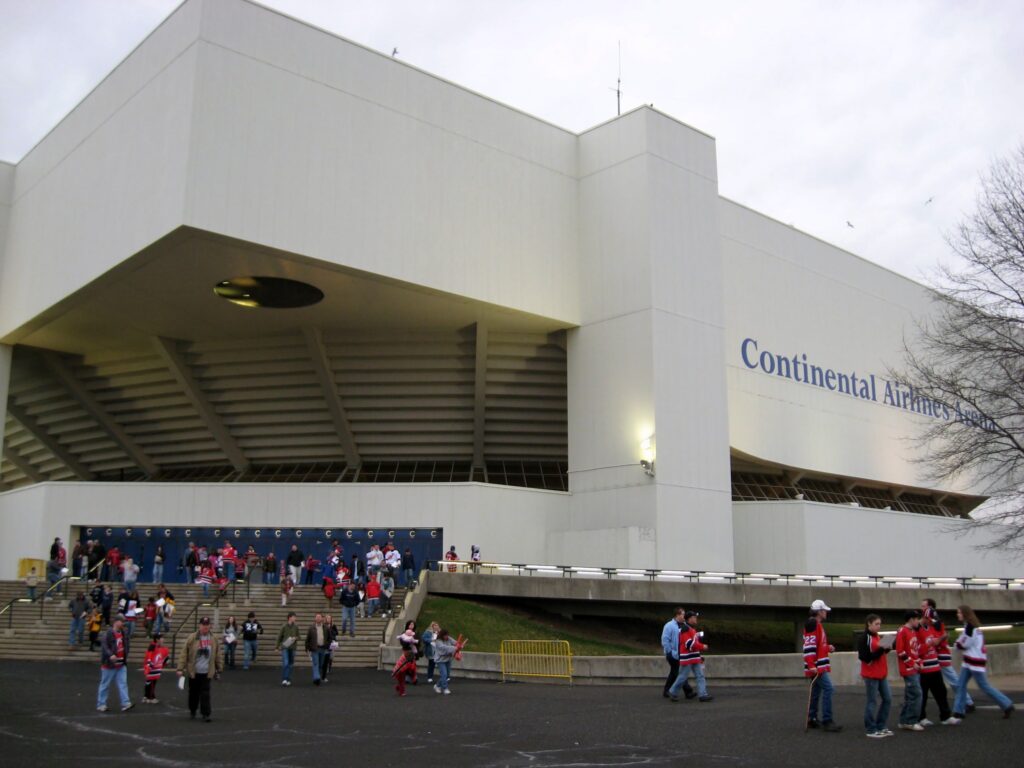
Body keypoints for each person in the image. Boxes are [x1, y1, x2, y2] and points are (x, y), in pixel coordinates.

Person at [952, 604, 1015, 719]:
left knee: (984, 686)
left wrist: (956, 644)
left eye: (959, 612)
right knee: (961, 685)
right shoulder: (972, 627)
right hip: (972, 661)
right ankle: (958, 711)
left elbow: (964, 644)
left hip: (973, 661)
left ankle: (1006, 704)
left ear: (965, 614)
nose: (957, 615)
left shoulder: (970, 628)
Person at [921, 598, 974, 713]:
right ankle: (966, 702)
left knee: (953, 680)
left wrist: (938, 639)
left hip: (940, 655)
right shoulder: (935, 622)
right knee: (945, 681)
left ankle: (968, 702)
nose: (922, 608)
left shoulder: (935, 623)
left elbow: (936, 640)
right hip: (937, 655)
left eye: (924, 606)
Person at [804, 599, 842, 732]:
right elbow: (809, 646)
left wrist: (827, 647)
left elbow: (816, 645)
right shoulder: (813, 624)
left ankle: (812, 718)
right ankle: (827, 720)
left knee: (816, 691)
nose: (826, 612)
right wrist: (811, 664)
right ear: (819, 611)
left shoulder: (815, 624)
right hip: (817, 666)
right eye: (824, 610)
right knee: (829, 689)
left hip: (816, 664)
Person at [176, 616, 222, 722]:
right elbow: (184, 653)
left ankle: (206, 713)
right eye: (203, 625)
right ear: (199, 625)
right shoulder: (192, 637)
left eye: (207, 625)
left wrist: (219, 668)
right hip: (194, 671)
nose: (205, 627)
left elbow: (218, 654)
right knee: (193, 693)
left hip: (207, 671)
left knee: (205, 693)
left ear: (210, 626)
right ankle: (193, 710)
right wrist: (180, 668)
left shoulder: (213, 639)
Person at [917, 607, 958, 726]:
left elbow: (936, 641)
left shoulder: (930, 628)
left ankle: (945, 716)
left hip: (935, 665)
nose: (932, 622)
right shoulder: (917, 629)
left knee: (941, 691)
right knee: (923, 694)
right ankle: (921, 717)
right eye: (930, 619)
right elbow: (917, 648)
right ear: (924, 618)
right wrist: (930, 643)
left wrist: (941, 638)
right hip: (924, 667)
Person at [858, 613, 893, 738]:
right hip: (871, 674)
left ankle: (881, 725)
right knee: (872, 701)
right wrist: (881, 650)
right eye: (876, 624)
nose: (879, 626)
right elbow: (865, 657)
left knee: (887, 699)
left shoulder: (877, 636)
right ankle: (870, 728)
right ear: (869, 624)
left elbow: (880, 652)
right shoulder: (865, 638)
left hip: (881, 673)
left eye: (879, 624)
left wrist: (886, 648)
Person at [670, 610, 712, 702]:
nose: (696, 619)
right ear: (689, 619)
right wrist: (702, 646)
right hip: (688, 658)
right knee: (683, 676)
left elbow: (692, 643)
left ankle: (703, 694)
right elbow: (689, 644)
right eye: (694, 617)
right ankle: (673, 692)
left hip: (693, 657)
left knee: (699, 675)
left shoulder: (690, 629)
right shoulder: (685, 629)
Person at [895, 609, 925, 731]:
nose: (919, 621)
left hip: (914, 668)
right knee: (916, 694)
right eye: (917, 619)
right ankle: (911, 720)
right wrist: (913, 663)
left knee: (910, 695)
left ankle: (904, 720)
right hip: (908, 669)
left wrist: (919, 662)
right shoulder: (903, 631)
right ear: (911, 619)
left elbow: (915, 651)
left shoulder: (912, 631)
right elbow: (900, 651)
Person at [96, 616, 133, 712]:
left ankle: (125, 702)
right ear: (116, 622)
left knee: (123, 683)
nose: (123, 623)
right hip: (109, 664)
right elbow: (104, 646)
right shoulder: (108, 633)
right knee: (105, 684)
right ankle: (101, 704)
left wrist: (126, 654)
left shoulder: (124, 633)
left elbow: (126, 645)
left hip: (121, 663)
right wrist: (110, 655)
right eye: (122, 621)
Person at [661, 607, 694, 700]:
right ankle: (688, 691)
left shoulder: (685, 625)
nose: (684, 616)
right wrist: (669, 652)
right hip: (672, 654)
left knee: (674, 672)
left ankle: (666, 690)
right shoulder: (669, 626)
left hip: (682, 653)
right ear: (677, 615)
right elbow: (665, 640)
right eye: (682, 614)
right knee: (679, 673)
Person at [432, 628, 463, 694]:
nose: (447, 637)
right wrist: (455, 648)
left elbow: (455, 642)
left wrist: (459, 645)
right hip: (440, 660)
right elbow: (444, 648)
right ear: (442, 635)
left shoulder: (448, 638)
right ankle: (445, 688)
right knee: (444, 674)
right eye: (445, 635)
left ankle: (437, 686)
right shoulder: (438, 641)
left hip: (448, 659)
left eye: (447, 635)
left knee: (446, 675)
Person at [142, 633, 170, 704]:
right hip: (152, 668)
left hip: (153, 667)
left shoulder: (156, 646)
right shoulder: (153, 646)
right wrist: (149, 665)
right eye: (161, 638)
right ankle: (151, 697)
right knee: (152, 682)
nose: (163, 639)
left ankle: (146, 696)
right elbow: (149, 656)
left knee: (149, 682)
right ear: (157, 639)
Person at [305, 613, 331, 685]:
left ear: (322, 619)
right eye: (317, 617)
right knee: (315, 663)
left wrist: (327, 645)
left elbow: (330, 638)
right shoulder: (311, 628)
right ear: (315, 619)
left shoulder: (326, 628)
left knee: (320, 664)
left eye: (320, 617)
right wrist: (307, 648)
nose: (318, 618)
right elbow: (308, 639)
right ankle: (317, 678)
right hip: (314, 648)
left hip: (323, 648)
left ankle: (316, 677)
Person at [276, 612, 301, 686]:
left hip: (293, 647)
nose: (295, 618)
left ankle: (288, 678)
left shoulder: (296, 627)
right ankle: (284, 679)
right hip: (285, 647)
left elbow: (299, 636)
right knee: (286, 663)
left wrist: (295, 638)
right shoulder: (284, 626)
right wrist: (277, 647)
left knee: (290, 664)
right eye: (294, 617)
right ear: (290, 617)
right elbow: (279, 637)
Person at [322, 614, 338, 682]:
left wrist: (331, 630)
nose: (328, 619)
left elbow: (337, 633)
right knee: (326, 655)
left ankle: (329, 667)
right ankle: (326, 667)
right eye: (327, 618)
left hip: (333, 642)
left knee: (331, 656)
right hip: (327, 643)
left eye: (330, 618)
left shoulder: (333, 626)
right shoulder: (324, 626)